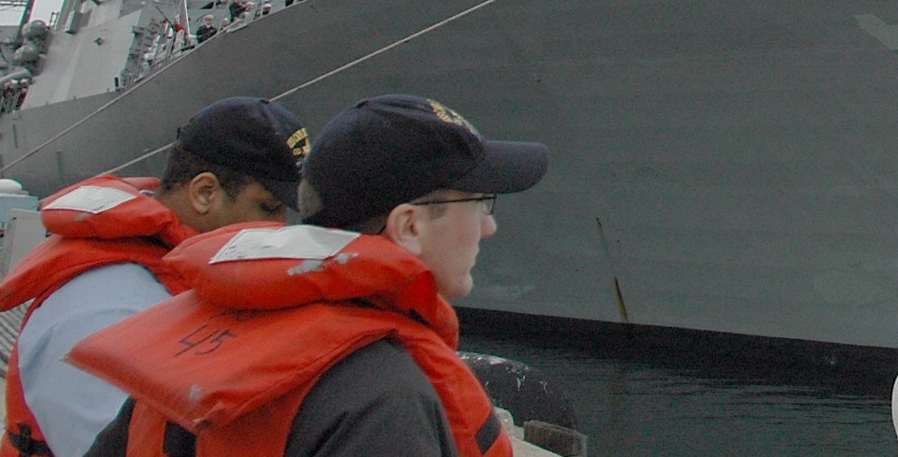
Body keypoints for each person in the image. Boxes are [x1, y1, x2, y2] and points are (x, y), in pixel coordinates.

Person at [73, 95, 549, 457]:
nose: (489, 226)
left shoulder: (191, 340)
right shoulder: (384, 398)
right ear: (409, 226)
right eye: (480, 202)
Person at [0, 97, 310, 457]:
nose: (280, 228)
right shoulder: (104, 306)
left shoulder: (171, 273)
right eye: (268, 207)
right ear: (204, 193)